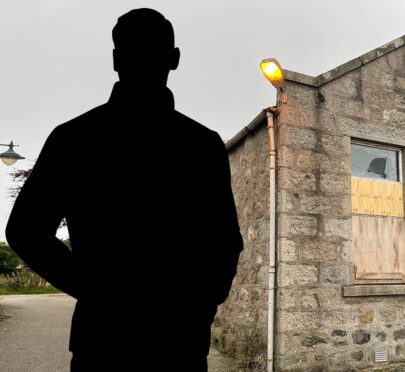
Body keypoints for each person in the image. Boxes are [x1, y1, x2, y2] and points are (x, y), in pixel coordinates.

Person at [5, 8, 243, 372]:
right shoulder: (201, 145)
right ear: (174, 59)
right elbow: (224, 241)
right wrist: (198, 305)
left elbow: (25, 231)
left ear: (116, 60)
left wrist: (95, 291)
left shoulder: (74, 138)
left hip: (102, 340)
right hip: (178, 342)